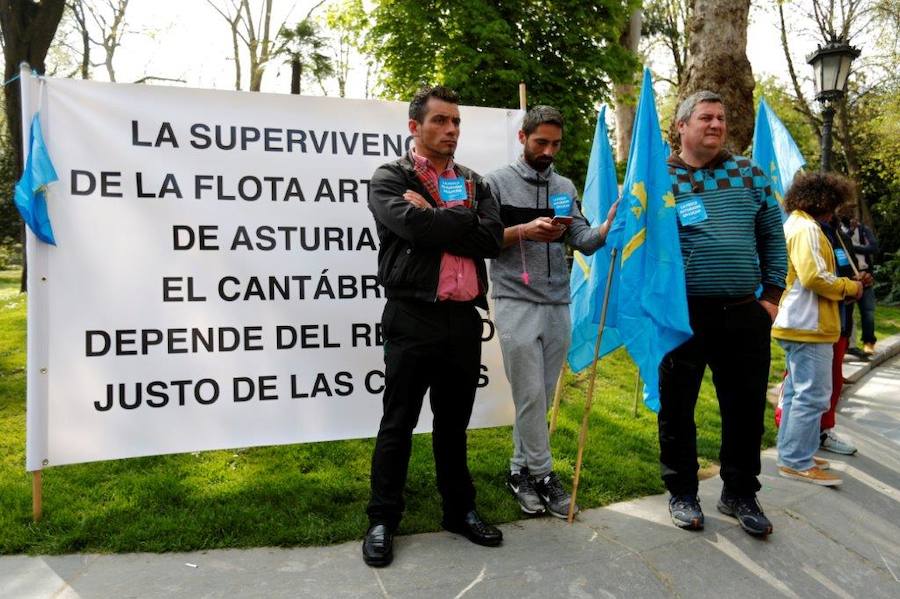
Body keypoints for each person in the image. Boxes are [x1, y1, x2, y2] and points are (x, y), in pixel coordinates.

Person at [362, 85, 504, 568]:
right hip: (411, 316)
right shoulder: (389, 177)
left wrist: (438, 216)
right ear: (414, 127)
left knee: (453, 426)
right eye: (441, 121)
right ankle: (382, 520)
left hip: (463, 321)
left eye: (456, 122)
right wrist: (452, 221)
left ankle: (459, 511)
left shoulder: (474, 181)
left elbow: (490, 239)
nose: (451, 131)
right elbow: (414, 230)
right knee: (397, 423)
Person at [659, 91, 787, 537]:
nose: (716, 124)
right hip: (681, 316)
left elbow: (774, 235)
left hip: (743, 314)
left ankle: (739, 492)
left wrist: (770, 297)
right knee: (677, 408)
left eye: (721, 118)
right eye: (706, 117)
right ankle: (682, 493)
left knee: (745, 407)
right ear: (681, 125)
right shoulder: (657, 177)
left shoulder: (749, 173)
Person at [484, 106, 617, 519]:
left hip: (558, 301)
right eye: (541, 141)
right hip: (514, 299)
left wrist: (603, 230)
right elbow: (484, 240)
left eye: (555, 144)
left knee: (537, 397)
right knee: (529, 394)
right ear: (522, 137)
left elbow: (580, 237)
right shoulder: (496, 184)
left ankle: (518, 471)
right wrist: (525, 230)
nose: (548, 150)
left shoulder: (563, 185)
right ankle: (543, 475)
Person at [772, 172, 864, 487]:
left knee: (800, 394)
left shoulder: (797, 224)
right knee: (812, 395)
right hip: (808, 325)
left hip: (801, 324)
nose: (833, 213)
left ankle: (793, 454)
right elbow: (814, 278)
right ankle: (796, 461)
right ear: (822, 201)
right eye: (833, 206)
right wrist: (850, 287)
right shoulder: (807, 229)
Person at [842, 216, 879, 355]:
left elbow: (874, 247)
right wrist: (850, 234)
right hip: (849, 276)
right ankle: (848, 346)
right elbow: (843, 245)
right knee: (848, 313)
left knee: (868, 312)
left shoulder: (863, 229)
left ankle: (869, 342)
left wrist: (854, 247)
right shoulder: (839, 230)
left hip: (865, 275)